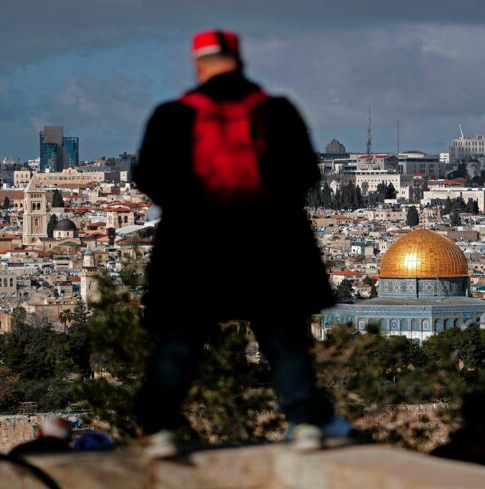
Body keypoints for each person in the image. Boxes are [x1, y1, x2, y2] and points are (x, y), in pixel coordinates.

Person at [132, 29, 347, 457]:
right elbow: (305, 172)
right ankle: (305, 423)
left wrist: (190, 207)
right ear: (238, 59)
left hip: (195, 243)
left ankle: (158, 428)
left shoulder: (173, 115)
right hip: (269, 240)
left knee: (181, 336)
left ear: (198, 65)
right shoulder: (277, 111)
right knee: (283, 334)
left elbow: (148, 177)